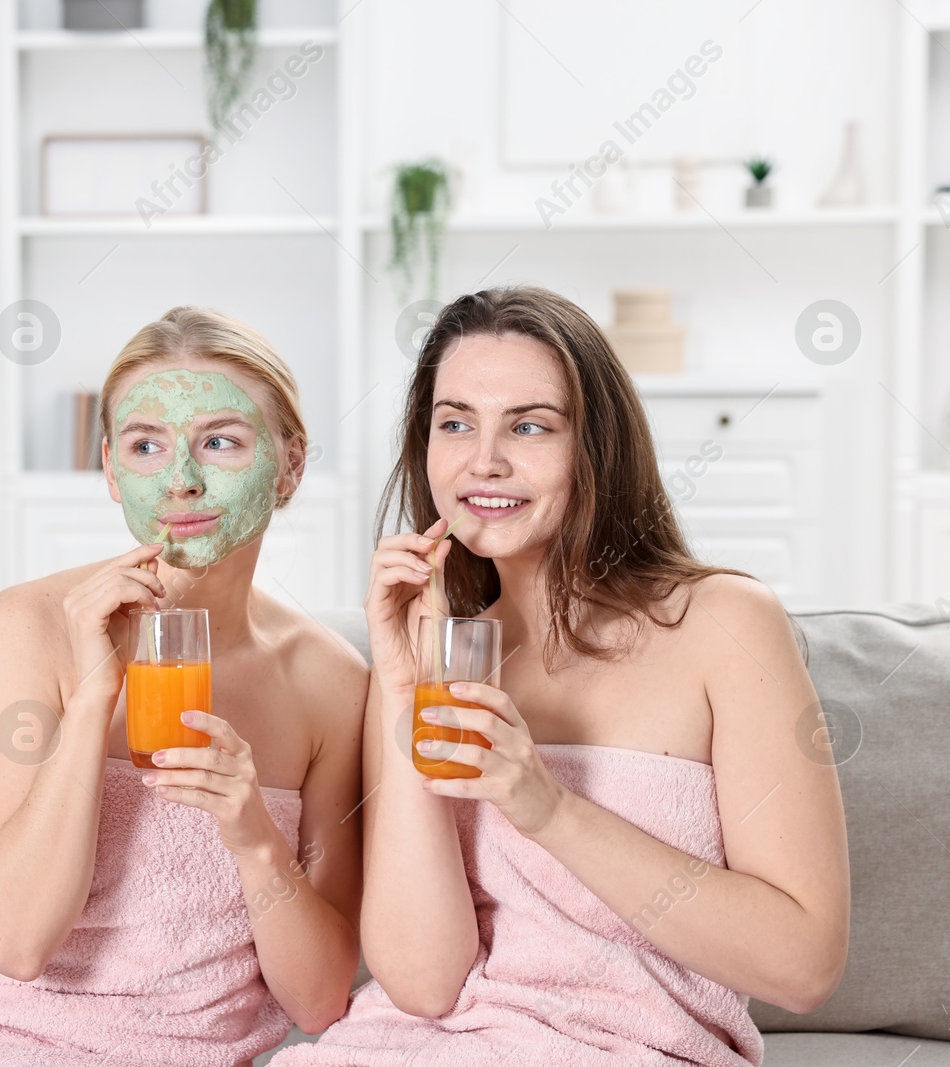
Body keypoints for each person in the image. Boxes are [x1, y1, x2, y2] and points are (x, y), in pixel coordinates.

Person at [274, 286, 849, 1066]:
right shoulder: (434, 652)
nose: (484, 460)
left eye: (529, 425)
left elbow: (804, 964)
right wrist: (404, 689)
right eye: (455, 423)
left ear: (596, 446)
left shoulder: (724, 624)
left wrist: (544, 806)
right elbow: (423, 983)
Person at [0, 306, 367, 1067]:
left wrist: (255, 834)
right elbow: (16, 941)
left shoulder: (334, 684)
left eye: (220, 442)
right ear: (109, 468)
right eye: (145, 446)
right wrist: (96, 695)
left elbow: (319, 998)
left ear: (290, 463)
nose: (181, 479)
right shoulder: (31, 624)